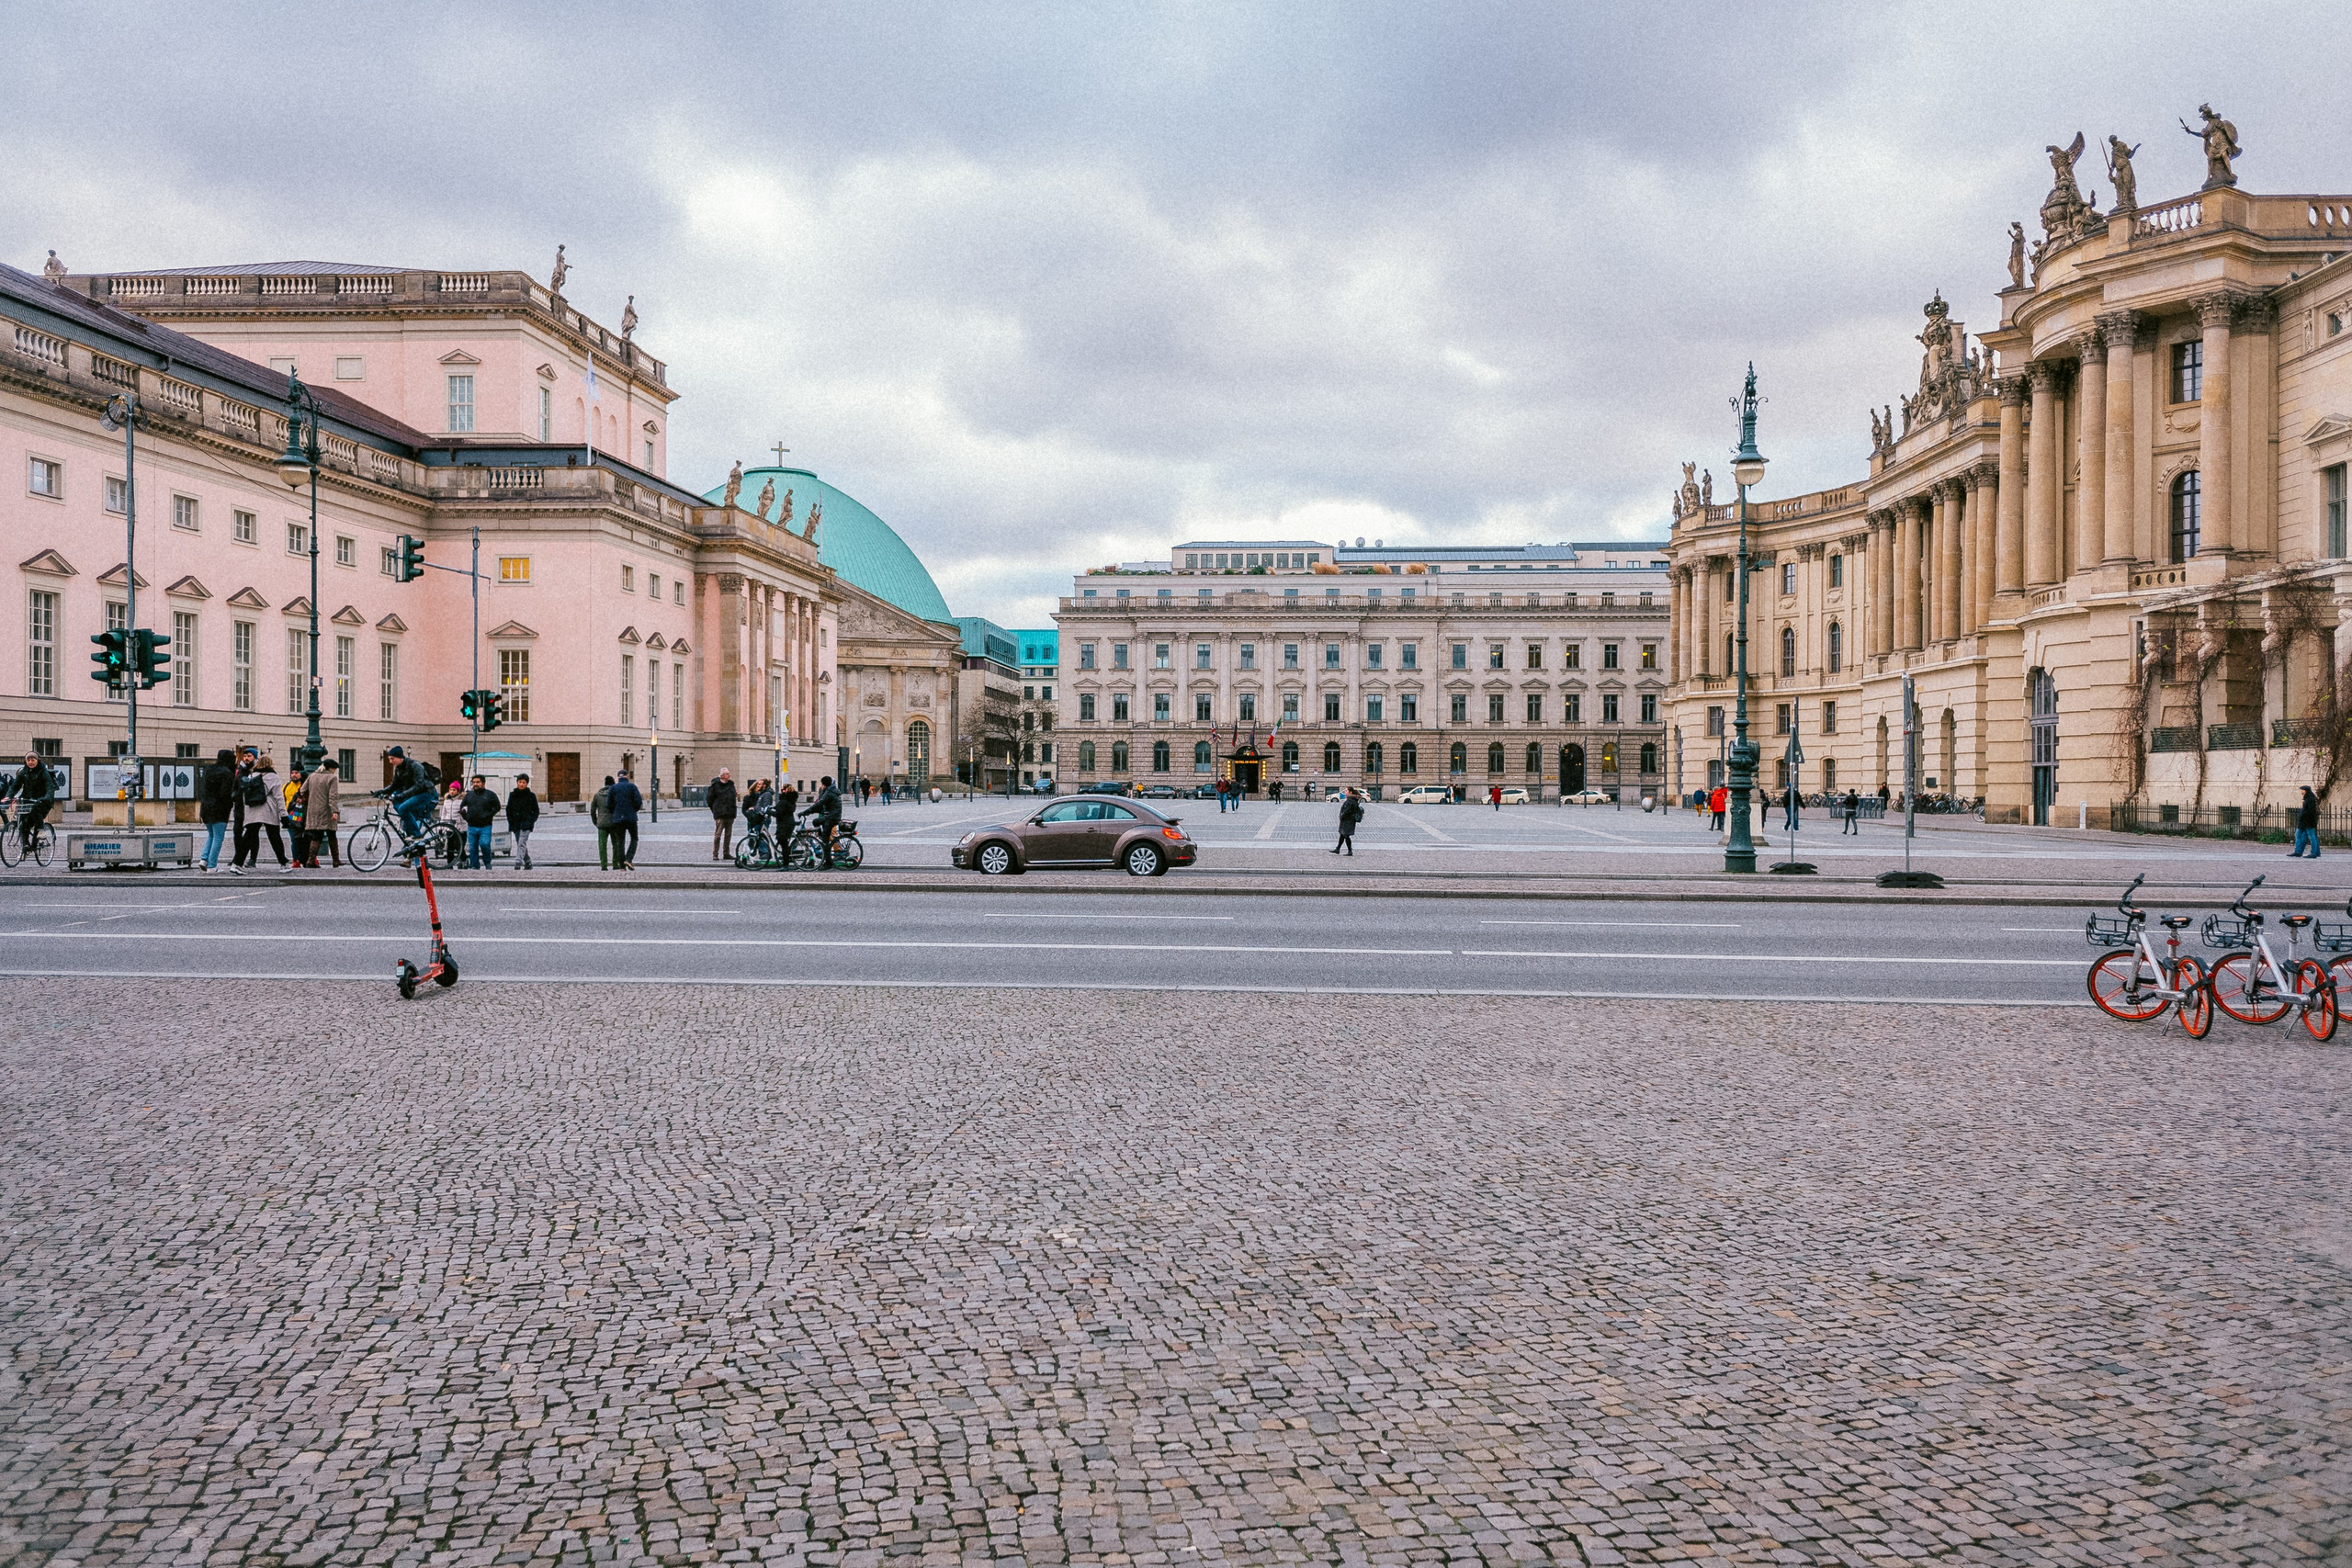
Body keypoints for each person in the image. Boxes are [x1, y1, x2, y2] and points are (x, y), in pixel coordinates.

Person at [232, 752, 287, 874]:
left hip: (252, 810)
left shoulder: (252, 776)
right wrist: (283, 814)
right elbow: (279, 798)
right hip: (268, 810)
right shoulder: (273, 777)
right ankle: (283, 863)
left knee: (248, 837)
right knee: (275, 837)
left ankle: (237, 863)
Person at [382, 747, 436, 843]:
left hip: (425, 792)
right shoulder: (398, 769)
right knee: (399, 806)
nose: (390, 762)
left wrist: (402, 795)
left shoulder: (415, 766)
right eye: (389, 759)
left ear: (400, 758)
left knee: (403, 808)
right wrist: (381, 792)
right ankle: (410, 832)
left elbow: (419, 785)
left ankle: (416, 834)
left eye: (392, 759)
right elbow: (395, 785)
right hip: (413, 793)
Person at [9, 752, 55, 857]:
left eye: (33, 760)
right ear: (25, 761)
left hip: (43, 801)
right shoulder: (23, 772)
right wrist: (9, 796)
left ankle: (41, 829)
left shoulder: (43, 772)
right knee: (23, 825)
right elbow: (15, 786)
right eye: (28, 760)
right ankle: (26, 847)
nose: (30, 762)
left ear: (37, 760)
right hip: (28, 801)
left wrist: (47, 797)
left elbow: (49, 786)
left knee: (36, 812)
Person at [198, 748, 235, 870]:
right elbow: (226, 793)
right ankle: (212, 866)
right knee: (218, 837)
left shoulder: (209, 770)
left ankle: (204, 859)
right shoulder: (227, 773)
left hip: (206, 806)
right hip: (220, 808)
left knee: (211, 835)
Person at [300, 759, 343, 867]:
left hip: (313, 810)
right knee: (332, 835)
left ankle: (310, 861)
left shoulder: (312, 776)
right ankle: (336, 860)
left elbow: (302, 790)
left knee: (316, 836)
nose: (335, 771)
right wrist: (335, 811)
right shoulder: (332, 778)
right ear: (331, 768)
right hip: (327, 810)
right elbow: (333, 796)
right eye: (335, 769)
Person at [459, 774, 501, 869]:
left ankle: (487, 862)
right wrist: (467, 817)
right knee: (472, 848)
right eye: (474, 782)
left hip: (485, 826)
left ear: (483, 783)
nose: (475, 784)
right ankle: (474, 865)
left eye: (478, 782)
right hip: (472, 826)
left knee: (484, 844)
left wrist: (489, 815)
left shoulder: (490, 795)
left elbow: (497, 807)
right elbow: (462, 807)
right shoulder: (469, 795)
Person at [607, 769, 643, 869]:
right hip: (631, 817)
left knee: (620, 841)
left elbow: (609, 804)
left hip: (618, 818)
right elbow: (638, 801)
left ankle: (622, 866)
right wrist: (634, 810)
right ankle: (629, 859)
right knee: (634, 838)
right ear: (627, 776)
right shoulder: (632, 787)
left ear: (618, 777)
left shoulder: (613, 788)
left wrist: (615, 812)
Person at [506, 773, 540, 869]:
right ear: (517, 783)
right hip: (515, 824)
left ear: (527, 784)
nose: (521, 784)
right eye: (520, 782)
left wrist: (531, 821)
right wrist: (511, 821)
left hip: (526, 824)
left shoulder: (531, 796)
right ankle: (528, 861)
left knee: (521, 843)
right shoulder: (513, 795)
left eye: (523, 782)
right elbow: (509, 809)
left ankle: (518, 862)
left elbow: (536, 811)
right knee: (520, 842)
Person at [809, 773, 842, 867]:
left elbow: (821, 803)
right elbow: (821, 804)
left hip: (830, 817)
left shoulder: (829, 792)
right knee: (816, 822)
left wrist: (808, 811)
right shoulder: (831, 791)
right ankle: (821, 838)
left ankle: (829, 860)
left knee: (828, 838)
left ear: (824, 784)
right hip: (828, 816)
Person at [707, 769, 739, 861]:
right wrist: (715, 810)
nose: (729, 775)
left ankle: (726, 853)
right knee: (718, 834)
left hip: (730, 813)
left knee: (728, 835)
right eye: (727, 774)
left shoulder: (731, 784)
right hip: (720, 813)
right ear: (722, 775)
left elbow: (733, 796)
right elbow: (709, 799)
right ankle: (715, 853)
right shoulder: (715, 785)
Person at [592, 774, 616, 869]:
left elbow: (592, 810)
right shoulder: (615, 794)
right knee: (616, 844)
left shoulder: (598, 795)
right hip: (614, 822)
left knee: (602, 845)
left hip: (602, 823)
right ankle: (615, 864)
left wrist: (596, 821)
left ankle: (603, 865)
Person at [2292, 785, 2324, 858]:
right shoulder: (2309, 798)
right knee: (2308, 836)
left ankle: (2310, 852)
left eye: (2302, 790)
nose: (2301, 791)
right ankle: (2314, 852)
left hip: (2307, 821)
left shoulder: (2309, 799)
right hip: (2307, 821)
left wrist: (2302, 814)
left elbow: (2309, 811)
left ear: (2305, 791)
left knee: (2306, 835)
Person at [1332, 785, 1363, 855]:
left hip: (1348, 821)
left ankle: (1350, 851)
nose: (1345, 792)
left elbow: (1347, 810)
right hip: (1347, 820)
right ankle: (1338, 849)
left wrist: (1342, 816)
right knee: (1342, 834)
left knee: (1346, 835)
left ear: (1350, 792)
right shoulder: (1351, 799)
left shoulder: (1351, 800)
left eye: (1346, 791)